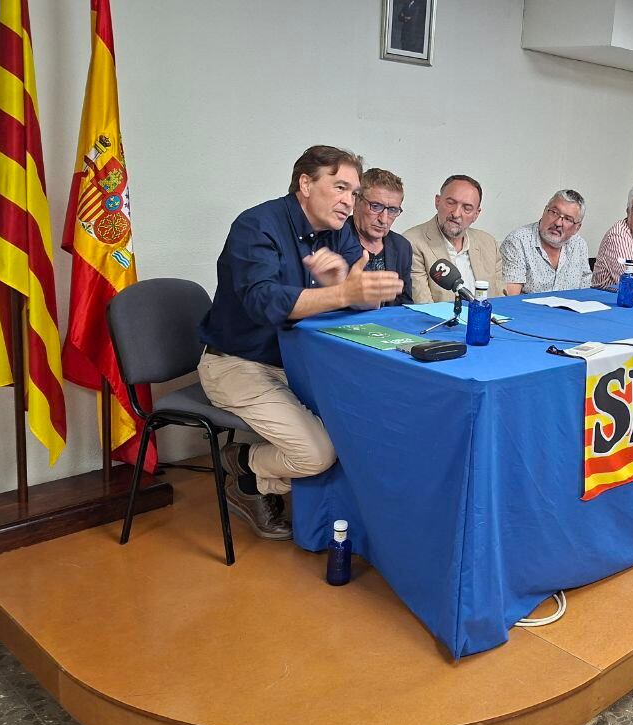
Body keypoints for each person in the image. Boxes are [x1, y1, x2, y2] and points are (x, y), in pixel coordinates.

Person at [198, 146, 404, 540]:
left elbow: (364, 298)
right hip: (237, 364)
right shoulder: (256, 226)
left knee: (366, 428)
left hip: (301, 363)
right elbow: (265, 302)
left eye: (354, 192)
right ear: (305, 183)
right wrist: (341, 293)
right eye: (340, 187)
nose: (349, 201)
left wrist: (350, 285)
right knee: (318, 455)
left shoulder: (339, 231)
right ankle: (245, 468)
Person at [405, 174, 505, 303]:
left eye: (467, 208)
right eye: (451, 203)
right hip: (443, 322)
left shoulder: (488, 243)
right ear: (437, 201)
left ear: (476, 214)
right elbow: (424, 306)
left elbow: (500, 301)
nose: (456, 214)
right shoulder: (412, 242)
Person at [500, 189, 592, 295]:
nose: (558, 223)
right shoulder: (518, 242)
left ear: (577, 228)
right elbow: (510, 299)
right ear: (544, 211)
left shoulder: (579, 245)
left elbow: (585, 294)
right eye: (554, 212)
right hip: (529, 311)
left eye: (568, 219)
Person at [345, 167, 412, 306]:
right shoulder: (335, 237)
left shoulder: (402, 246)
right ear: (356, 202)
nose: (384, 219)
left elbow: (405, 305)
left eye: (393, 210)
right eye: (376, 206)